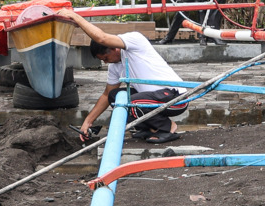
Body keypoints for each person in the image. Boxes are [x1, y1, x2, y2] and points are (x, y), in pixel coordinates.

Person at [61, 8, 186, 144]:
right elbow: (106, 95)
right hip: (153, 99)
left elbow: (101, 38)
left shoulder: (135, 40)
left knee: (132, 101)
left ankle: (167, 127)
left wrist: (75, 17)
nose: (105, 62)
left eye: (106, 58)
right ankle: (149, 127)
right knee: (114, 96)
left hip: (175, 98)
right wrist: (88, 121)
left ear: (114, 48)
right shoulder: (114, 66)